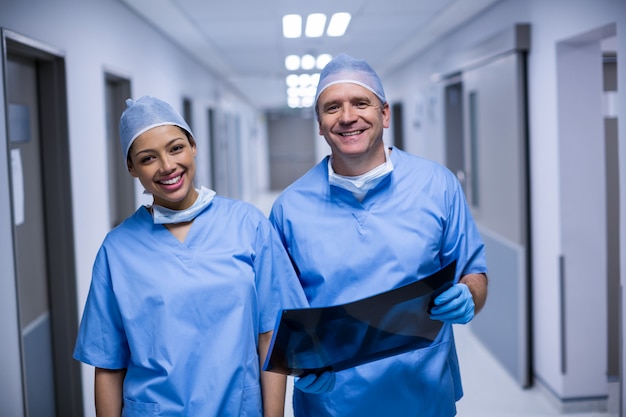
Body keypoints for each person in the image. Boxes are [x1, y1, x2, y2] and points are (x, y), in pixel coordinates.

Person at [269, 54, 488, 417]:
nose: (347, 117)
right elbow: (282, 313)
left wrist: (469, 295)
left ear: (385, 114)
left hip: (423, 393)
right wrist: (299, 366)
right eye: (332, 107)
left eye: (361, 103)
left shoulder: (437, 185)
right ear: (320, 125)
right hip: (333, 402)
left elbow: (474, 271)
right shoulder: (289, 209)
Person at [73, 96, 308, 417]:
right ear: (131, 167)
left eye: (175, 148)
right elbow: (109, 365)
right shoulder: (117, 250)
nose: (167, 166)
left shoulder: (248, 225)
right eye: (147, 158)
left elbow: (271, 336)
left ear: (193, 145)